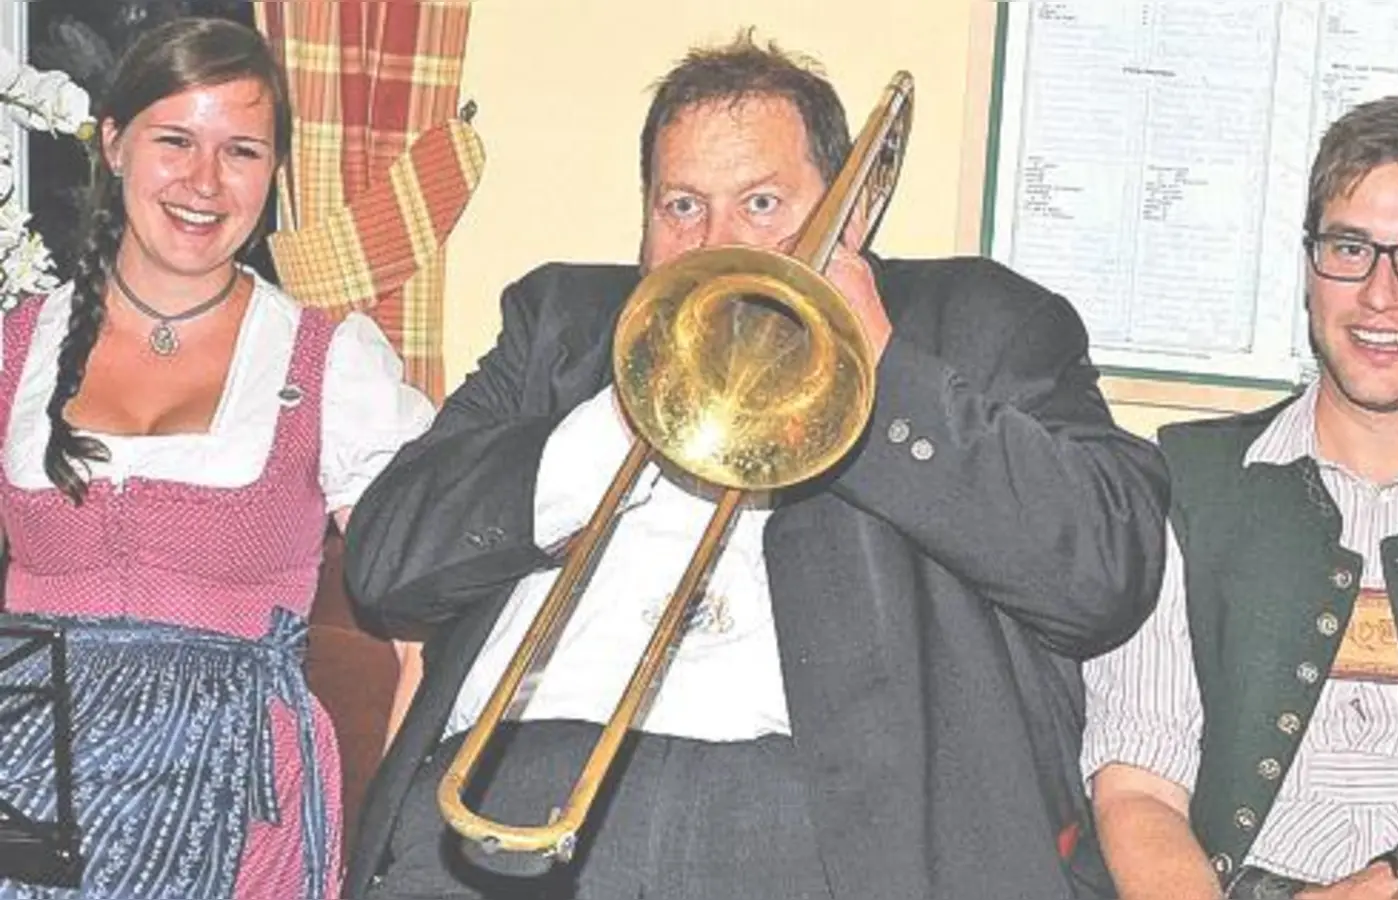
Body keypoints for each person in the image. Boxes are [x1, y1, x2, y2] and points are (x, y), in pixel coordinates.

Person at [341, 29, 1170, 900]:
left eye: (763, 203)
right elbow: (387, 561)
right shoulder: (561, 324)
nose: (716, 242)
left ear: (850, 214)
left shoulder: (975, 319)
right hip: (518, 785)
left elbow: (1106, 567)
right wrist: (621, 416)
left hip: (825, 820)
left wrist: (883, 374)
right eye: (681, 206)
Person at [1081, 94, 1398, 900]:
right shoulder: (1182, 482)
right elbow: (1138, 790)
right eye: (1350, 248)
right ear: (1310, 266)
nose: (1380, 294)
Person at [0, 17, 434, 899]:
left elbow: (428, 626)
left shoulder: (330, 362)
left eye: (241, 151)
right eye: (175, 141)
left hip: (239, 802)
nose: (205, 182)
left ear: (274, 173)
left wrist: (397, 840)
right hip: (28, 785)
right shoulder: (17, 347)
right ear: (113, 144)